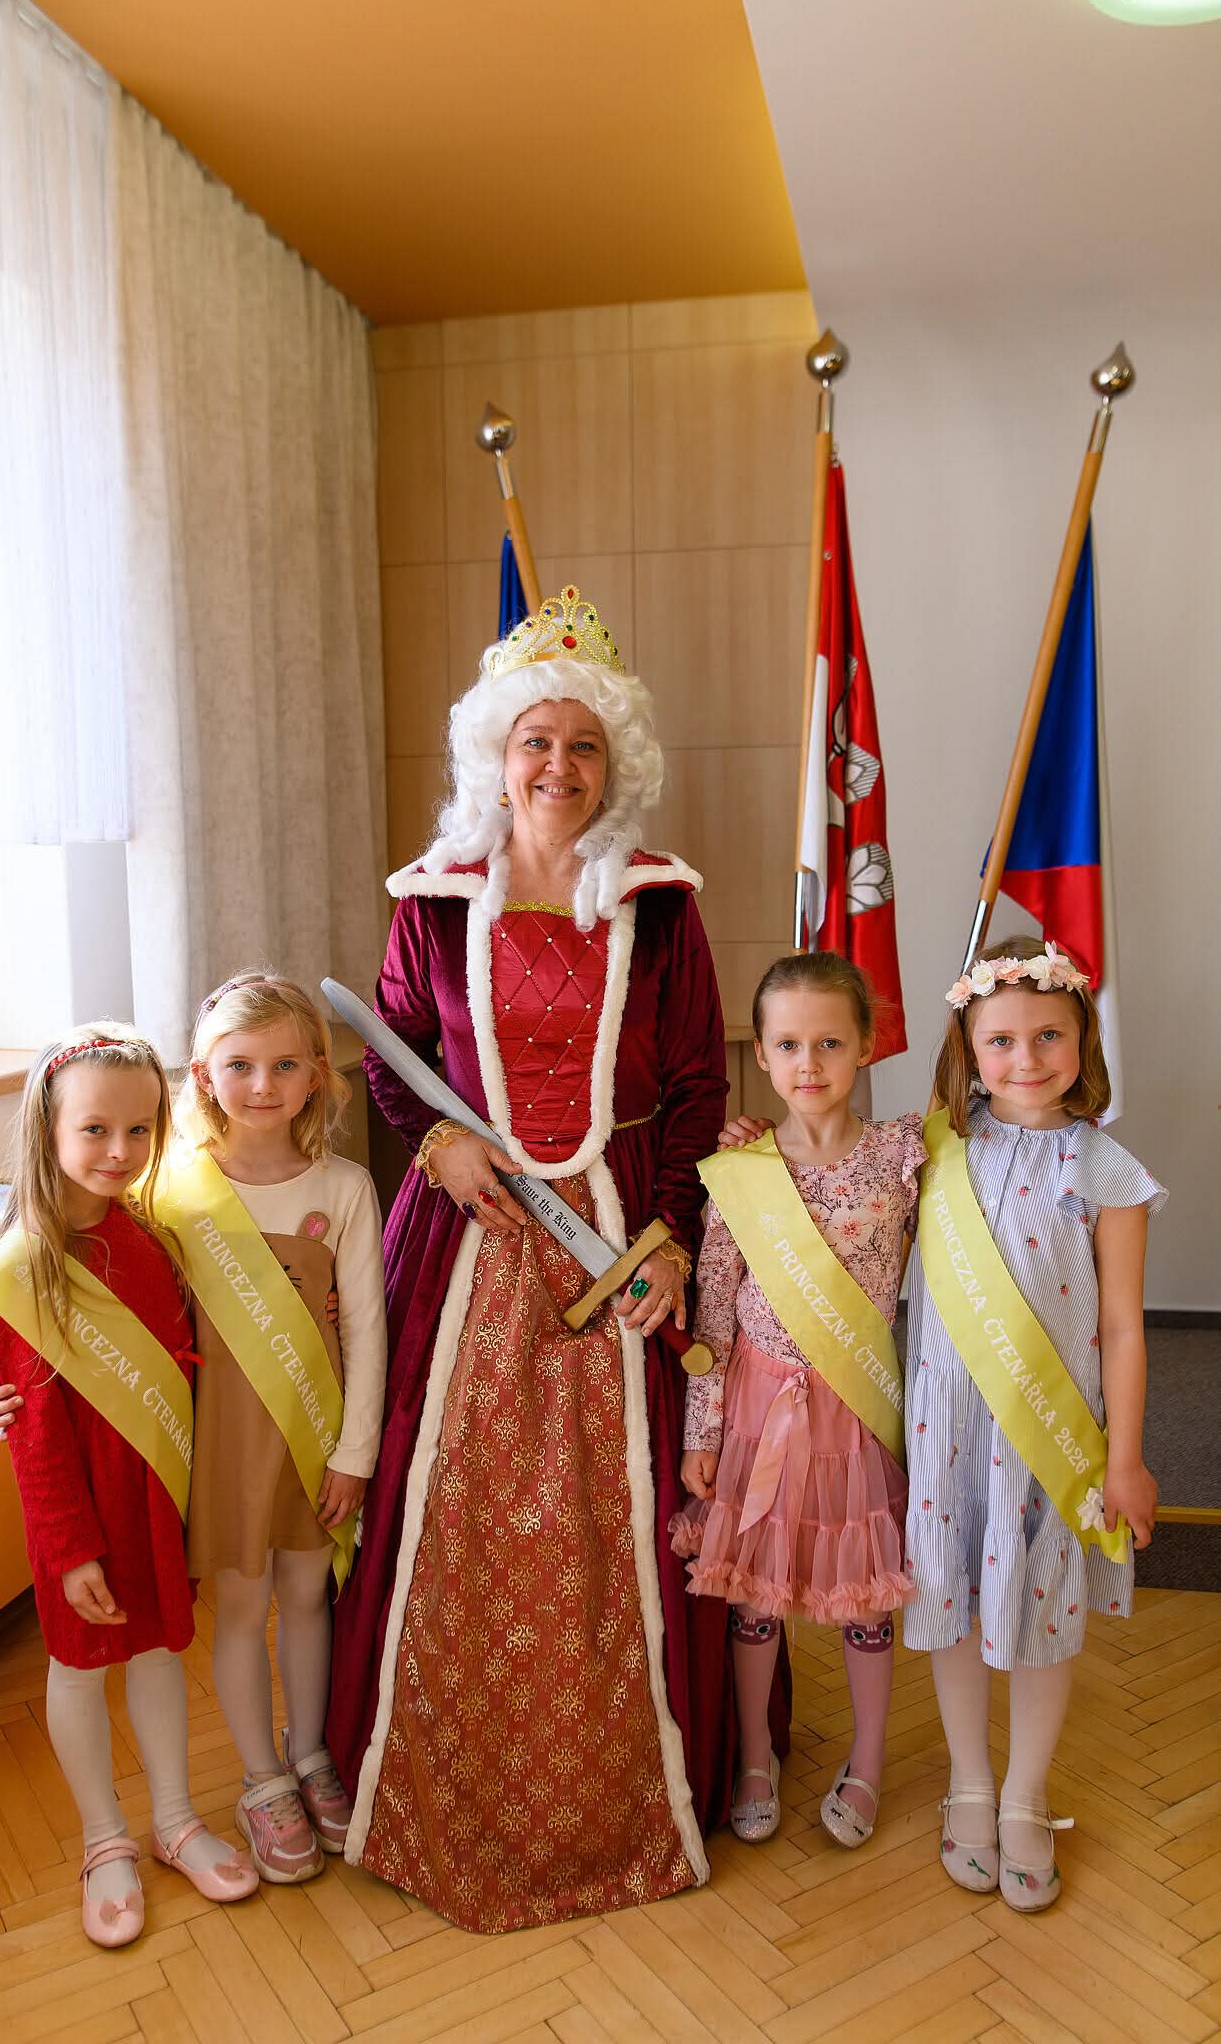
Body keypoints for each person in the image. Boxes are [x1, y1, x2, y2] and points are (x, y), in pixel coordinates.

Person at [325, 586, 788, 1934]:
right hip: (467, 1238)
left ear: (614, 763)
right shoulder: (432, 902)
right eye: (535, 740)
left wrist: (668, 1238)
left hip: (616, 1231)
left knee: (622, 1514)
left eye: (583, 745)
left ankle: (632, 1788)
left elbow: (696, 1083)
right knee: (449, 1506)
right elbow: (390, 1052)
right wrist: (433, 1142)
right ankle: (436, 1783)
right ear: (496, 752)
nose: (557, 766)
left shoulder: (658, 907)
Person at [0, 1028, 258, 1949]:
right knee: (81, 1666)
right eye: (94, 1129)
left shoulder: (151, 1239)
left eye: (139, 1130)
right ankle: (102, 1841)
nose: (119, 1151)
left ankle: (174, 1819)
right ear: (47, 1129)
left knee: (161, 1652)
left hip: (156, 1493)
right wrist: (68, 1546)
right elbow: (34, 1432)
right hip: (77, 1511)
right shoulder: (26, 1265)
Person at [903, 937, 1164, 1912]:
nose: (1026, 1057)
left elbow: (1123, 1325)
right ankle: (969, 1783)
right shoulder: (932, 1148)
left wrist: (1126, 1458)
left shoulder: (1106, 1168)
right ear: (968, 1051)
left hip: (1049, 1437)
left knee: (1043, 1610)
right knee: (953, 1598)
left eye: (1048, 1034)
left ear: (1083, 1038)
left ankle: (1023, 1795)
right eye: (1001, 1039)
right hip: (947, 1428)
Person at [672, 952, 922, 1850]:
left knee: (862, 1599)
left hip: (856, 1409)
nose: (807, 1063)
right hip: (754, 1408)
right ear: (763, 1055)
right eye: (787, 1045)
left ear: (865, 1047)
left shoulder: (904, 1156)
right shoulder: (738, 1170)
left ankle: (867, 1762)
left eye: (828, 1043)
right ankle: (753, 1759)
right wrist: (701, 1431)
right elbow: (712, 1311)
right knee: (755, 1595)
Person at [171, 971, 387, 1882]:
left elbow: (367, 1329)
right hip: (221, 1443)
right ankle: (261, 1779)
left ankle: (309, 1756)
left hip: (314, 1435)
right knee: (242, 1605)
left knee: (306, 1595)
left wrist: (355, 1453)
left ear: (317, 1077)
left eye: (286, 1066)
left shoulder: (345, 1186)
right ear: (203, 1075)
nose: (263, 1085)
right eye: (241, 1066)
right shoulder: (174, 1192)